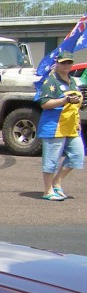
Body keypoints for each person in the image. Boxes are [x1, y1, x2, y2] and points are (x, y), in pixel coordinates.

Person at [37, 52, 84, 200]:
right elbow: (44, 104)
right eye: (63, 63)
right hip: (54, 126)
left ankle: (57, 181)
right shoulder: (50, 82)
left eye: (69, 63)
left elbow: (76, 105)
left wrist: (78, 121)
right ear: (57, 63)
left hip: (71, 126)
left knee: (77, 155)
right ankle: (48, 190)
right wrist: (64, 101)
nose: (67, 66)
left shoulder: (73, 81)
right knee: (51, 160)